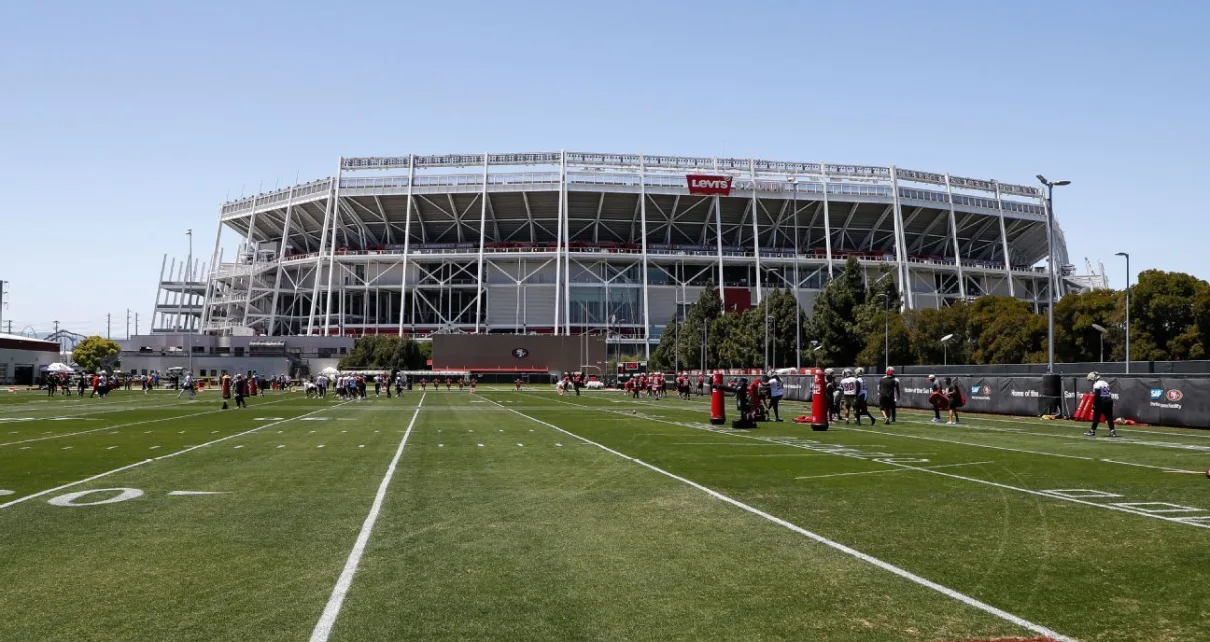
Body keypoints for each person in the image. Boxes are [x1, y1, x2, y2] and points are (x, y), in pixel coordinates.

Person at [1086, 372, 1118, 438]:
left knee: (1096, 417)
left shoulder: (1096, 384)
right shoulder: (1105, 383)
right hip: (1109, 401)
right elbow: (1107, 393)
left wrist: (1095, 404)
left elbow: (1097, 396)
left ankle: (1092, 431)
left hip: (1101, 402)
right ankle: (1112, 431)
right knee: (1109, 417)